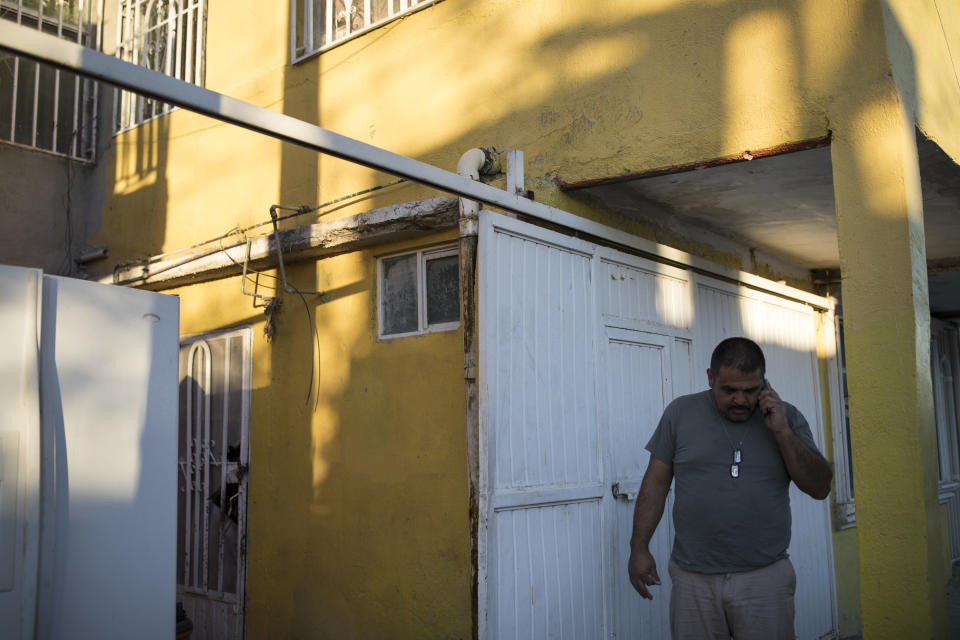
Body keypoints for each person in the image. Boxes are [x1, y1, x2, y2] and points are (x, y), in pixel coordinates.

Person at [627, 337, 832, 640]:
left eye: (751, 390)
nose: (740, 400)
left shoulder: (786, 417)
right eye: (729, 390)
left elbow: (820, 487)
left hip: (765, 578)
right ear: (711, 378)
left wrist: (782, 432)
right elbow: (655, 483)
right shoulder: (680, 413)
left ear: (764, 382)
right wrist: (638, 547)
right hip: (693, 577)